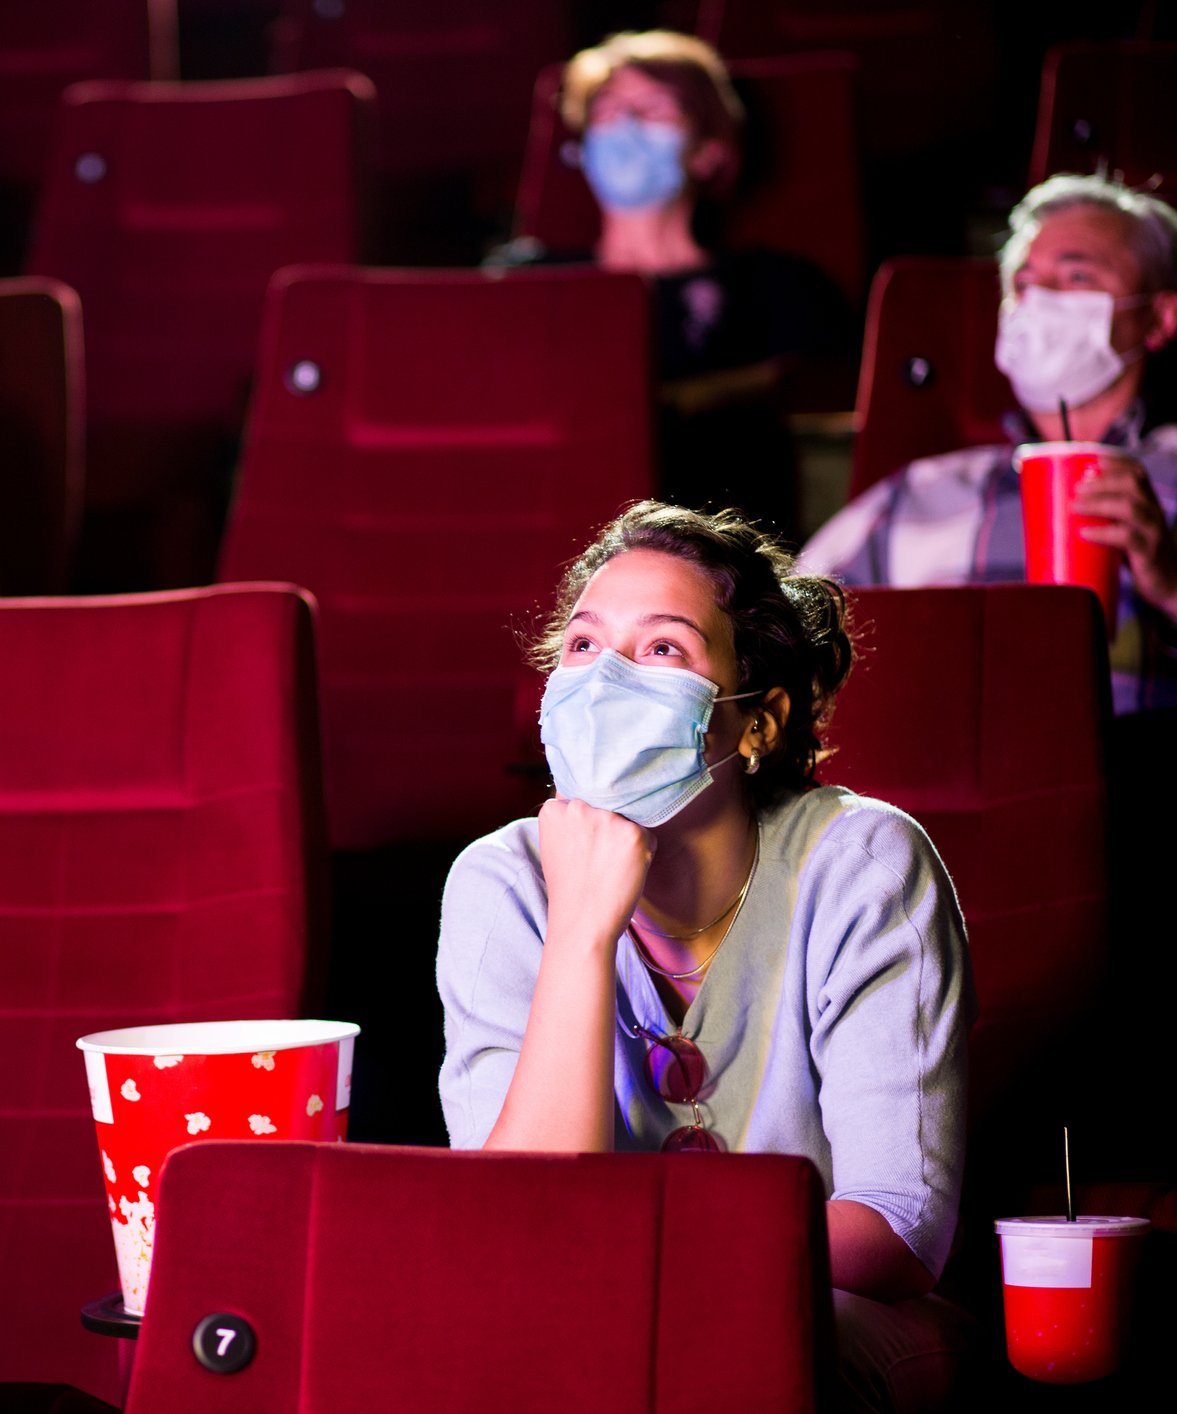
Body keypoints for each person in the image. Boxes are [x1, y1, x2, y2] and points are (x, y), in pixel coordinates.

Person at [437, 504, 973, 1412]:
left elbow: (895, 1230)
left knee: (698, 1356)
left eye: (660, 651)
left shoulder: (865, 863)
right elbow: (517, 1227)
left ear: (755, 722)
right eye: (581, 648)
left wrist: (641, 1267)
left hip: (829, 1316)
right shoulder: (499, 882)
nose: (604, 681)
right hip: (590, 1326)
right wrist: (580, 931)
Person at [801, 173, 1177, 714]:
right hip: (935, 775)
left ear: (1160, 316)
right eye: (1023, 284)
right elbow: (783, 630)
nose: (1040, 299)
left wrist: (1167, 583)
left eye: (1076, 275)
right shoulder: (920, 490)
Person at [493, 31, 856, 531]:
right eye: (608, 111)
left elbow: (816, 390)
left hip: (721, 544)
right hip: (557, 528)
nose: (626, 126)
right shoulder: (529, 283)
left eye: (655, 109)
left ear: (707, 149)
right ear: (582, 147)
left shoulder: (772, 284)